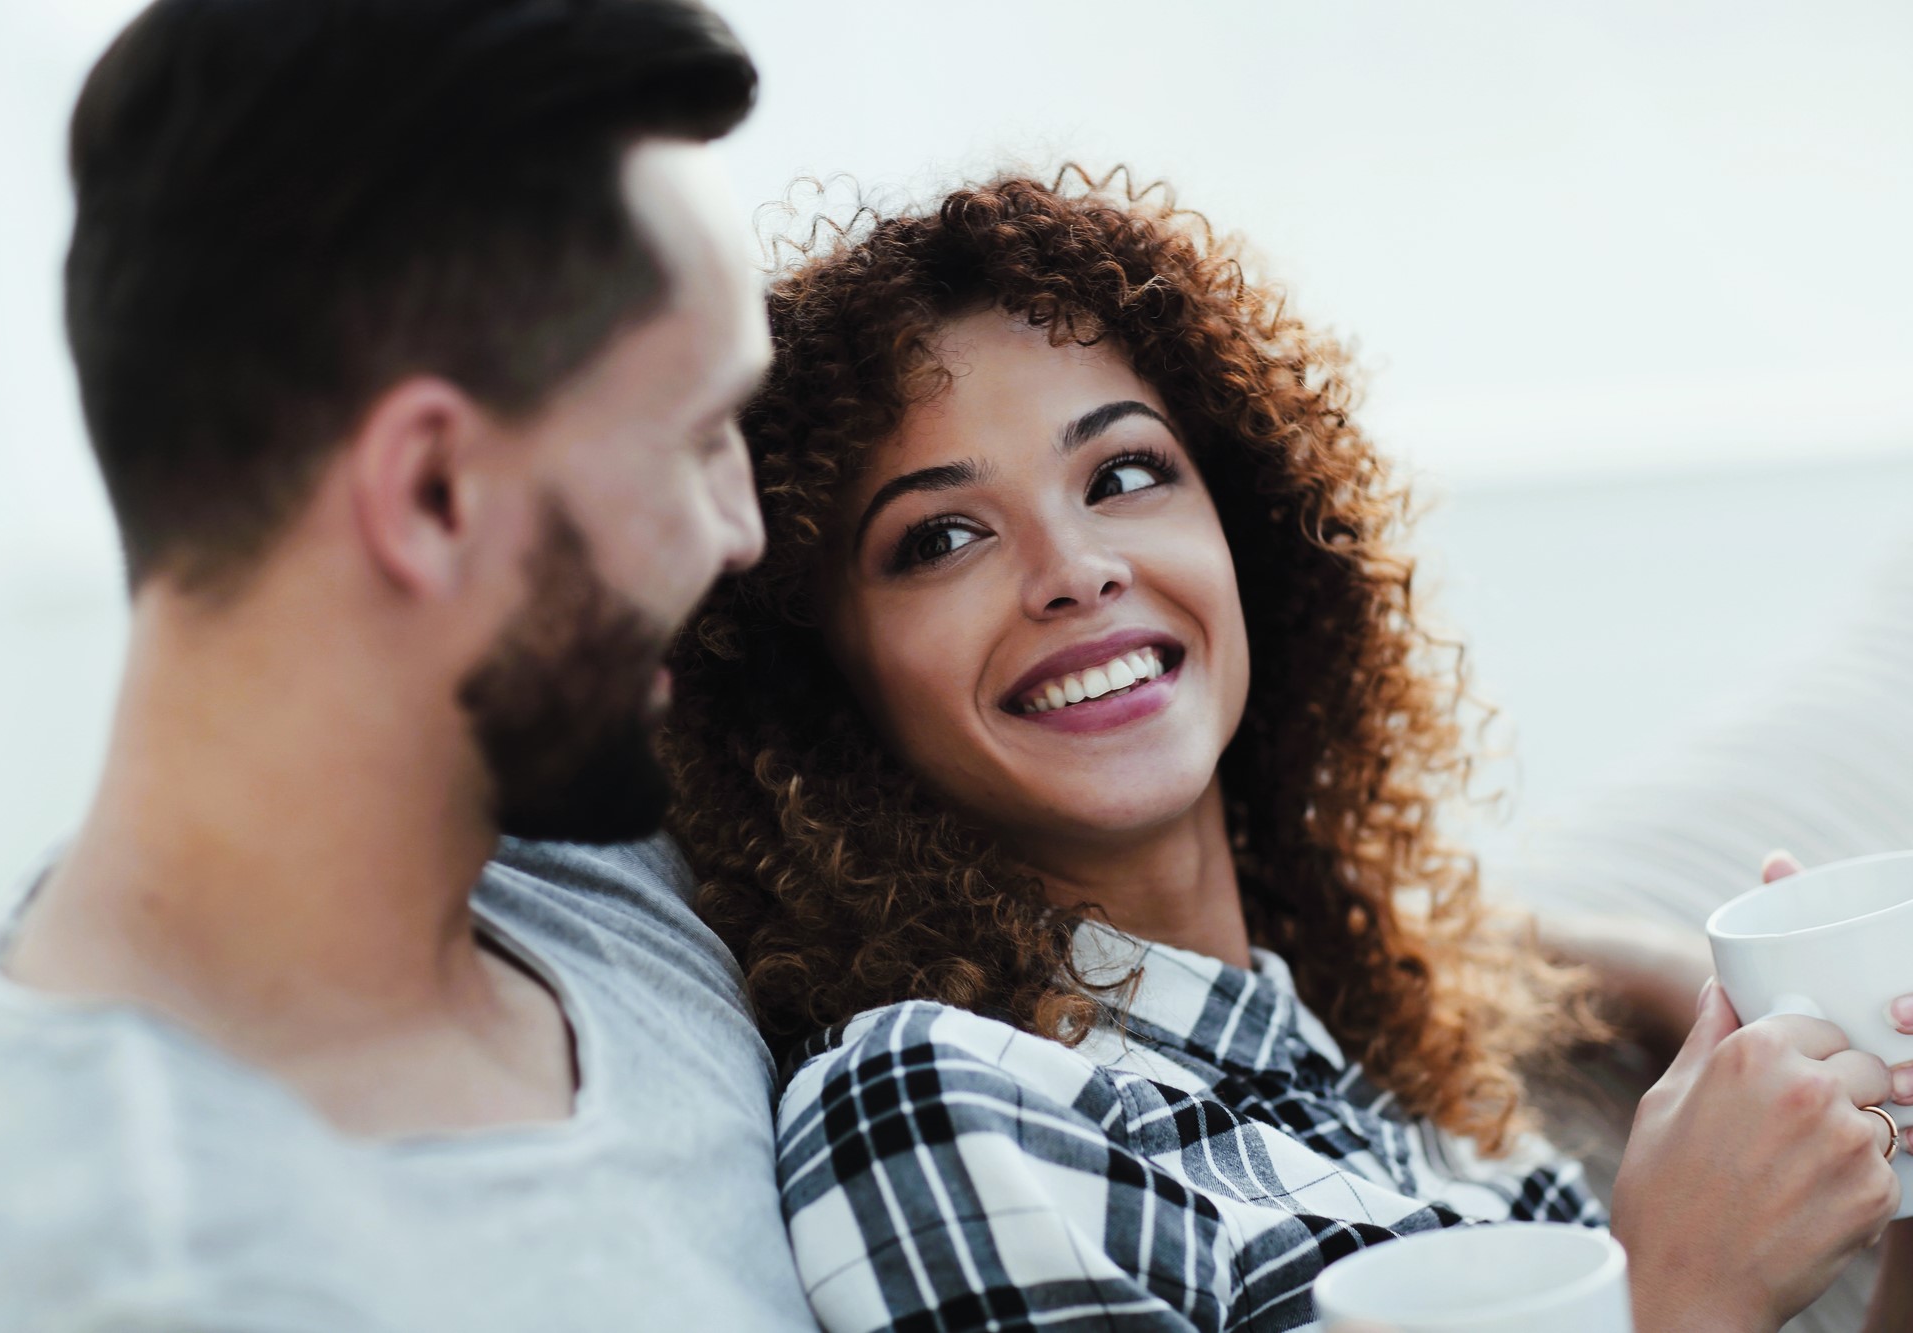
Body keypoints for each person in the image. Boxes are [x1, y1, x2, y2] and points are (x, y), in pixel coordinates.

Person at [662, 171, 1905, 1331]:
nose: (1077, 569)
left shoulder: (1389, 1045)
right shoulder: (930, 1097)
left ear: (1245, 538)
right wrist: (1679, 1290)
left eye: (1123, 472)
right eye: (939, 539)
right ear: (822, 685)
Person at [0, 1, 817, 1329]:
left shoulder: (586, 847)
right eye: (698, 440)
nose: (743, 530)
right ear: (435, 493)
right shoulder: (126, 1271)